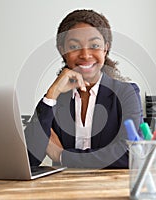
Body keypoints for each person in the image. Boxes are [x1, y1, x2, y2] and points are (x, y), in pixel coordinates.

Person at [25, 9, 143, 168]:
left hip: (110, 186)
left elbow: (130, 154)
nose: (85, 55)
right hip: (62, 188)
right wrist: (51, 94)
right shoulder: (55, 100)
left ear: (105, 49)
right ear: (63, 51)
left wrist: (62, 156)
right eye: (74, 46)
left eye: (94, 45)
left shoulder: (125, 93)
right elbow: (29, 158)